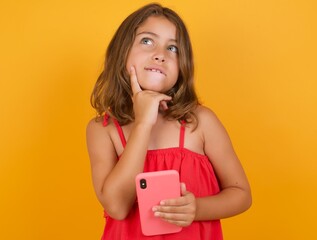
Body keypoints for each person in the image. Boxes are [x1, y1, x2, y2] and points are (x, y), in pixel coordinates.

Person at [86, 3, 252, 240]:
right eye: (146, 41)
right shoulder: (103, 130)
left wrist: (197, 209)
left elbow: (241, 194)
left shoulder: (200, 122)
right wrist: (143, 123)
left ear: (182, 67)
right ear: (121, 51)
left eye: (172, 48)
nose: (160, 54)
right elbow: (117, 207)